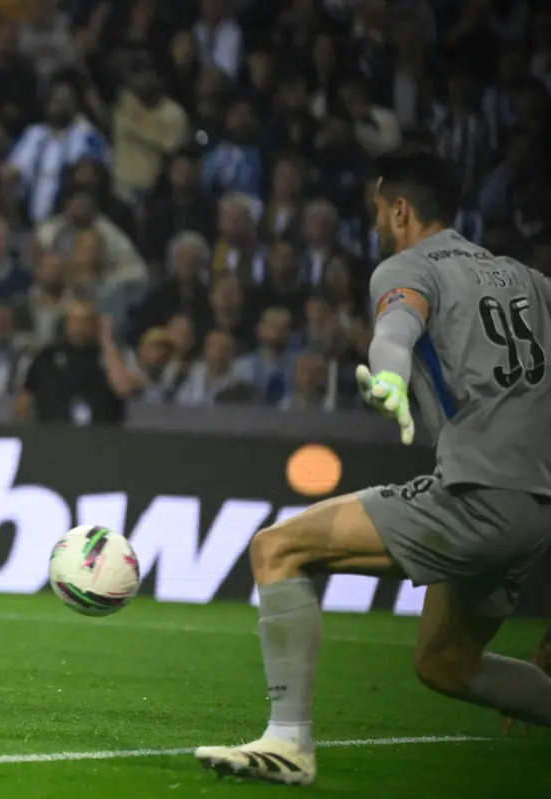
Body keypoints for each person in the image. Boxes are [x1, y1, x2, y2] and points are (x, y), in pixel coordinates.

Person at [192, 150, 551, 785]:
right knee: (447, 664)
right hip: (535, 510)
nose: (377, 222)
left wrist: (387, 371)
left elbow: (396, 327)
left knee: (276, 549)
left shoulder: (407, 267)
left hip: (472, 497)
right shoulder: (531, 281)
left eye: (377, 210)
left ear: (400, 207)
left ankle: (288, 743)